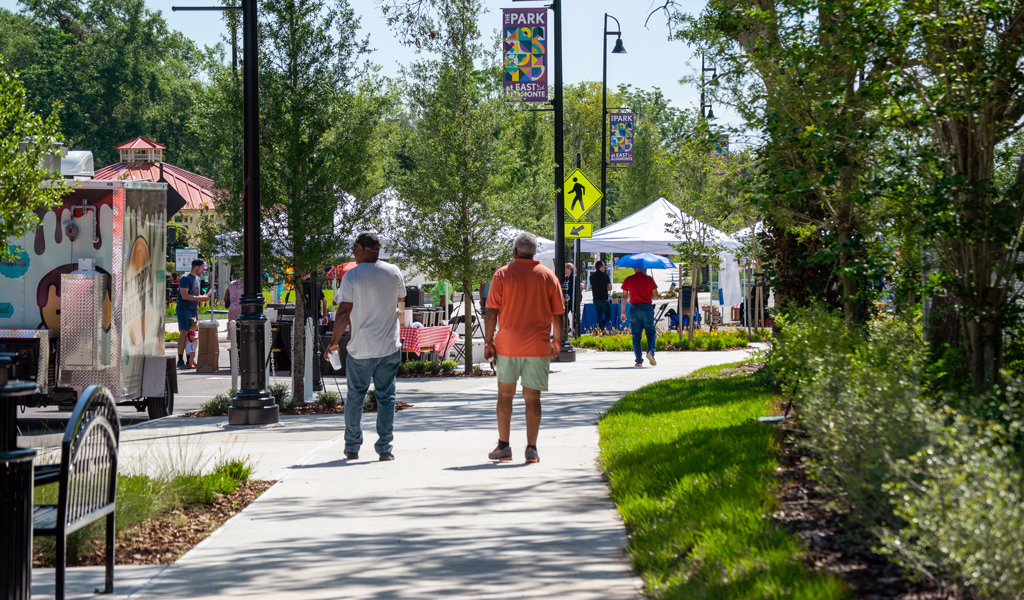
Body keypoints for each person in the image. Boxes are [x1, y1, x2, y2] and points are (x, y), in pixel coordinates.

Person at [484, 232, 564, 464]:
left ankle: (504, 446)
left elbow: (491, 311)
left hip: (508, 345)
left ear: (515, 251)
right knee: (532, 398)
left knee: (505, 395)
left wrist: (489, 342)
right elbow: (558, 313)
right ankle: (531, 449)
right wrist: (556, 340)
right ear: (534, 252)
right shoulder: (548, 276)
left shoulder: (502, 274)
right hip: (538, 347)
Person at [326, 232, 406, 462]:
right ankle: (385, 448)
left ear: (361, 248)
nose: (353, 253)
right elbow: (400, 299)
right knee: (386, 397)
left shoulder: (353, 276)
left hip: (360, 348)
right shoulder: (394, 272)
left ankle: (352, 447)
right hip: (389, 347)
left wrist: (333, 343)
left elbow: (343, 312)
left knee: (355, 397)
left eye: (354, 249)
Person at [620, 267, 660, 367]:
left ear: (634, 268)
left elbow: (624, 296)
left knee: (636, 335)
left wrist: (623, 312)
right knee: (650, 332)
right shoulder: (649, 279)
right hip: (646, 307)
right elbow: (655, 296)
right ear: (643, 268)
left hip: (634, 308)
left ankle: (638, 360)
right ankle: (650, 352)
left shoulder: (628, 279)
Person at [176, 259, 211, 370]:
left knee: (191, 334)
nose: (203, 270)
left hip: (193, 309)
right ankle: (180, 360)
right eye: (202, 268)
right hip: (184, 309)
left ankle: (189, 360)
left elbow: (195, 294)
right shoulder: (185, 278)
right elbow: (185, 296)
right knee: (184, 333)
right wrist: (201, 298)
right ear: (196, 267)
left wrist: (204, 296)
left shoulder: (197, 279)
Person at [589, 260, 613, 331]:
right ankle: (599, 328)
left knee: (599, 316)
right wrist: (604, 288)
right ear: (600, 267)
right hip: (603, 298)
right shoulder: (605, 276)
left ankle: (599, 330)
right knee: (609, 315)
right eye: (603, 266)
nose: (604, 268)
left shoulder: (592, 277)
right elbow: (610, 287)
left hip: (595, 298)